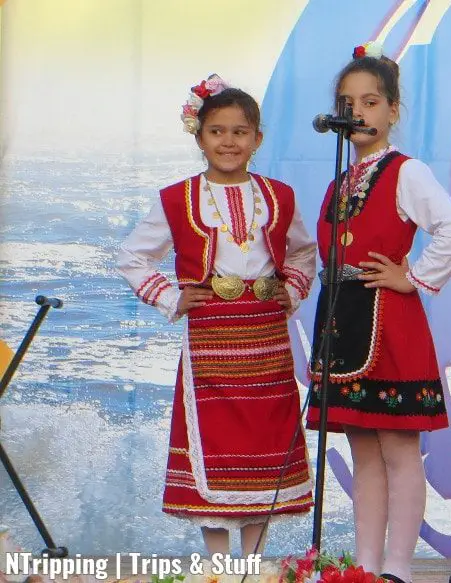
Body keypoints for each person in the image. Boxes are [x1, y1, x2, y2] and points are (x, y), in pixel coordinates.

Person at [116, 75, 315, 555]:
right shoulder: (177, 198)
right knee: (216, 442)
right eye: (217, 131)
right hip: (210, 339)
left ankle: (252, 560)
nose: (229, 141)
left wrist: (292, 290)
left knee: (263, 446)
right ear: (199, 136)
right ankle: (218, 563)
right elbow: (132, 257)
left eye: (240, 131)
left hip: (268, 338)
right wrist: (170, 297)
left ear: (257, 139)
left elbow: (304, 252)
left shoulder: (279, 196)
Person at [305, 42, 451, 583]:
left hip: (389, 322)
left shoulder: (406, 172)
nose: (358, 112)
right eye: (347, 102)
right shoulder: (341, 179)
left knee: (400, 447)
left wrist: (414, 277)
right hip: (343, 322)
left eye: (371, 101)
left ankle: (397, 567)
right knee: (362, 450)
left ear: (393, 110)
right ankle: (365, 565)